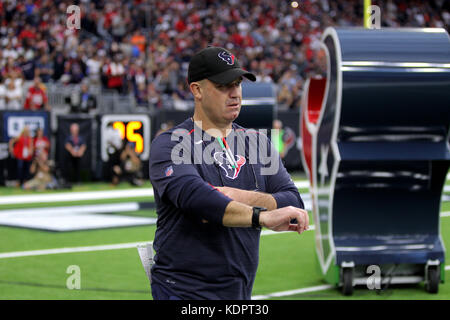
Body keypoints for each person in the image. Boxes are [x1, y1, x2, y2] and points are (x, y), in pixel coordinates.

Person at [148, 46, 309, 300]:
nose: (234, 93)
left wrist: (236, 195)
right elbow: (198, 199)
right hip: (183, 291)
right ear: (196, 90)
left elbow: (293, 201)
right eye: (223, 86)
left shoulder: (257, 142)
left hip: (239, 291)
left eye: (237, 84)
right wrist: (263, 217)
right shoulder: (171, 143)